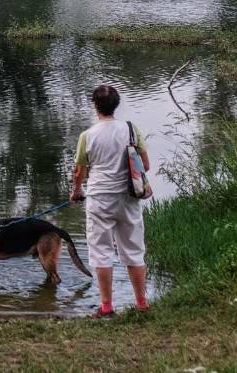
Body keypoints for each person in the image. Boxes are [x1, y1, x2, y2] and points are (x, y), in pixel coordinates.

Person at [69, 83, 149, 316]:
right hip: (128, 197)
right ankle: (141, 303)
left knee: (101, 252)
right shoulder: (131, 129)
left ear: (95, 105)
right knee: (134, 250)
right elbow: (145, 165)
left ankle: (106, 306)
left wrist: (76, 191)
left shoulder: (87, 136)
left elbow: (79, 172)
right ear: (116, 105)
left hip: (99, 199)